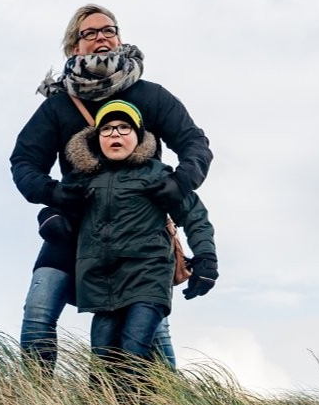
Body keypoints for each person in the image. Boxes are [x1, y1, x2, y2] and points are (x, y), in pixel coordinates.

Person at [10, 4, 214, 372]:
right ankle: (35, 397)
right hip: (75, 228)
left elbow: (194, 144)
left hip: (139, 233)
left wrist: (178, 183)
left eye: (108, 30)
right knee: (38, 310)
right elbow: (24, 162)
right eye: (89, 33)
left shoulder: (150, 96)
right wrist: (53, 194)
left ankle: (169, 404)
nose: (101, 37)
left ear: (119, 38)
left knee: (152, 331)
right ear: (74, 47)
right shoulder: (59, 106)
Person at [64, 102, 217, 381]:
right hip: (101, 282)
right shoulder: (83, 179)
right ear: (97, 138)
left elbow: (195, 216)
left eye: (124, 128)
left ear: (138, 137)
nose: (115, 134)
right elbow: (58, 208)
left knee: (132, 355)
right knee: (101, 369)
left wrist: (206, 259)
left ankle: (148, 404)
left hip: (147, 276)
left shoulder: (157, 175)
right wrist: (51, 215)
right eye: (107, 129)